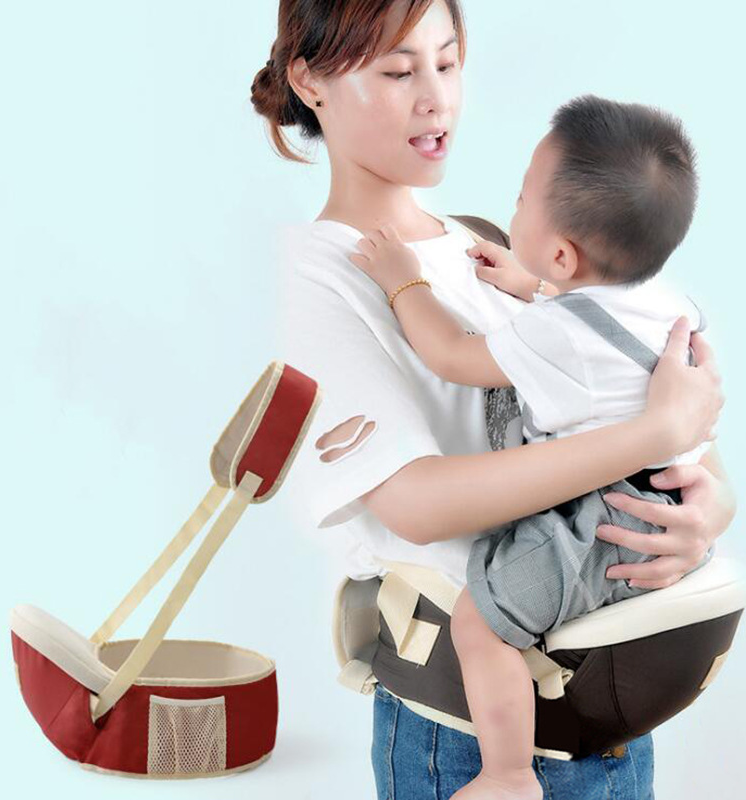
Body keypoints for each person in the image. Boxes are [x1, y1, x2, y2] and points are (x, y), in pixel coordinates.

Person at [251, 1, 735, 797]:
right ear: (309, 82)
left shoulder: (502, 247)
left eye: (448, 62)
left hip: (616, 730)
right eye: (399, 71)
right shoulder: (319, 275)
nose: (436, 98)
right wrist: (654, 436)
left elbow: (692, 452)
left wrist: (698, 517)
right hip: (463, 744)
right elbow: (415, 504)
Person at [348, 93, 713, 800]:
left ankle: (508, 774)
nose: (511, 208)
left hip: (601, 523)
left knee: (479, 624)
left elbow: (452, 354)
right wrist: (534, 283)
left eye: (521, 199)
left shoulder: (555, 336)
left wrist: (403, 279)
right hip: (659, 503)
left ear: (563, 254)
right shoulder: (670, 303)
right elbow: (594, 319)